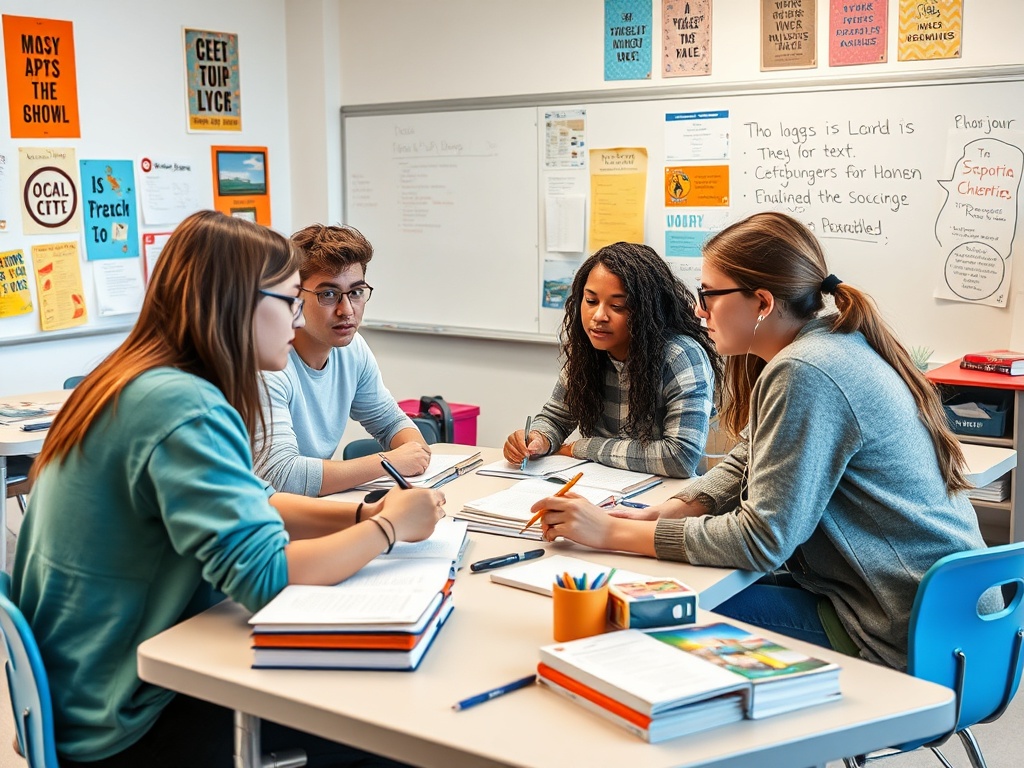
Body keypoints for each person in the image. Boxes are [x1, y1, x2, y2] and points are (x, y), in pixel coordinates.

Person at [12, 210, 444, 767]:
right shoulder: (182, 406)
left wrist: (360, 518)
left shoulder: (139, 379)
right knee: (398, 733)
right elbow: (265, 579)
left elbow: (252, 504)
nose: (296, 321)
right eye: (291, 300)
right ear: (238, 303)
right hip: (125, 717)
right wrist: (388, 529)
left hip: (86, 687)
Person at [530, 212, 996, 671]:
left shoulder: (805, 372)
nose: (698, 309)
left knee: (644, 615)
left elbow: (760, 540)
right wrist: (671, 509)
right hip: (947, 616)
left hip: (901, 627)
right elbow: (748, 456)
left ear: (763, 303)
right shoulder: (832, 343)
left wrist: (613, 533)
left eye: (709, 294)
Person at [503, 241, 720, 478]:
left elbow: (680, 457)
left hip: (667, 495)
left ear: (648, 310)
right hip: (600, 487)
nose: (598, 316)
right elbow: (556, 418)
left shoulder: (681, 357)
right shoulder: (588, 352)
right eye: (591, 301)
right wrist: (537, 439)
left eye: (617, 306)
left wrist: (582, 447)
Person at [254, 224, 429, 496]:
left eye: (356, 292)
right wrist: (389, 462)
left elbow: (390, 421)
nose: (346, 310)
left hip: (313, 507)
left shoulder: (352, 348)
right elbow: (280, 476)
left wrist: (416, 453)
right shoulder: (267, 363)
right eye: (328, 294)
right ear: (294, 295)